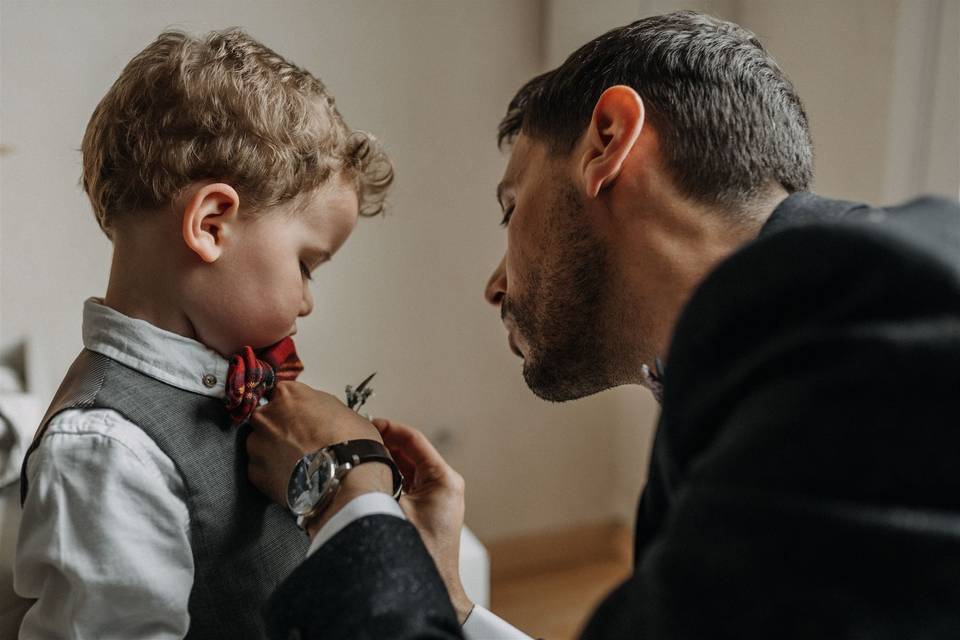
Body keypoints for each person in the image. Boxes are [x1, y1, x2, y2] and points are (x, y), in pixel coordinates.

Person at [244, 11, 960, 639]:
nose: (494, 285)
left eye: (510, 206)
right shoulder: (757, 368)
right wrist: (452, 606)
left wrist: (344, 492)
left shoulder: (886, 319)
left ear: (607, 142)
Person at [14, 28, 392, 638]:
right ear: (212, 224)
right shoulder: (107, 449)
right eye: (305, 264)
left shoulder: (229, 383)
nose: (307, 301)